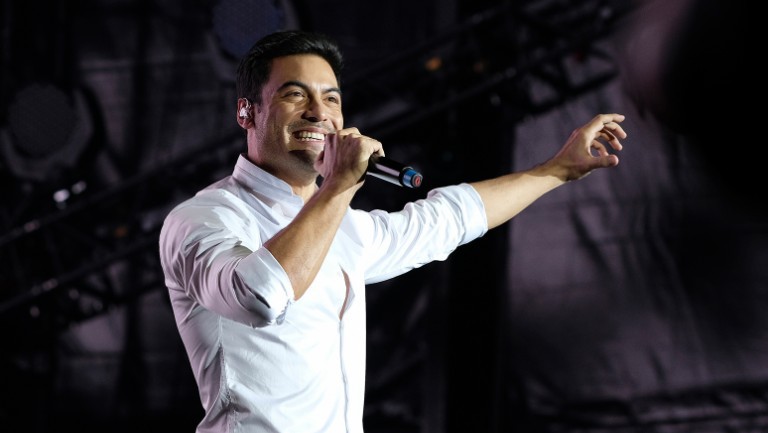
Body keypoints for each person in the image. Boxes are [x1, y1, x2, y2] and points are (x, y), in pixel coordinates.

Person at [158, 29, 627, 433]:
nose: (319, 112)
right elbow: (260, 295)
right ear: (247, 112)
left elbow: (449, 219)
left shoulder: (342, 227)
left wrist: (556, 170)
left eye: (332, 98)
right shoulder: (202, 219)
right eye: (294, 95)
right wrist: (338, 186)